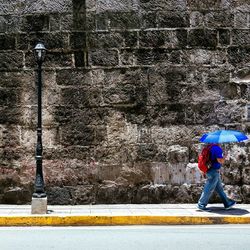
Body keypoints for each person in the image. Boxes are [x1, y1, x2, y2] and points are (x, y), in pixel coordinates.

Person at [197, 144, 236, 211]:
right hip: (214, 172)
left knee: (219, 189)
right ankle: (201, 205)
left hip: (209, 170)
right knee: (208, 189)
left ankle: (227, 203)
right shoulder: (217, 149)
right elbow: (220, 161)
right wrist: (225, 157)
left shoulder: (209, 147)